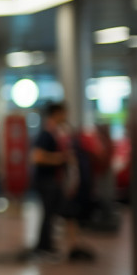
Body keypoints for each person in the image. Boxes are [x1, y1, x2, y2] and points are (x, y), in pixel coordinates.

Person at [31, 102, 96, 262]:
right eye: (64, 113)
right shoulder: (46, 134)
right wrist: (60, 158)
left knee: (63, 212)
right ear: (57, 114)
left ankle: (68, 246)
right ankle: (45, 247)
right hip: (46, 181)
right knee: (52, 213)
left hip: (54, 181)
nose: (66, 117)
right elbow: (37, 157)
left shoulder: (58, 133)